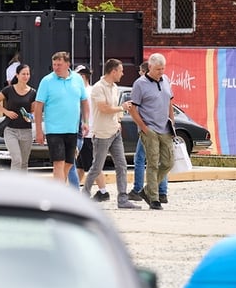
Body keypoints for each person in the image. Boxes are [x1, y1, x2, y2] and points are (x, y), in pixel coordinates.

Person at [84, 59, 140, 209]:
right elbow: (104, 108)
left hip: (115, 132)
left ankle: (122, 199)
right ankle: (84, 195)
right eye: (121, 70)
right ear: (113, 71)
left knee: (122, 165)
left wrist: (119, 120)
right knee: (97, 167)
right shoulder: (98, 88)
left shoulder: (115, 87)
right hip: (102, 134)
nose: (122, 73)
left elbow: (114, 108)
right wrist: (121, 108)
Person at [127, 53, 175, 210]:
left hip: (165, 127)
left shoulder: (166, 80)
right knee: (153, 163)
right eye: (157, 69)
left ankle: (147, 190)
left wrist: (172, 121)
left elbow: (169, 102)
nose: (161, 72)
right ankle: (154, 199)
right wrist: (143, 127)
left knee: (169, 162)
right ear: (149, 67)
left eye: (163, 69)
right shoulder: (139, 84)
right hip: (150, 128)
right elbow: (132, 109)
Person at [33, 52, 90, 183]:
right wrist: (39, 130)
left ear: (67, 64)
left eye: (59, 64)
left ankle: (58, 189)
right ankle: (59, 194)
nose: (56, 67)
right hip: (54, 130)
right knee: (58, 162)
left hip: (72, 129)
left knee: (69, 163)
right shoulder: (46, 81)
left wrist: (86, 121)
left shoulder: (77, 79)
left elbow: (84, 102)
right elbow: (38, 107)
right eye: (54, 64)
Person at [67, 65, 108, 197]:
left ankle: (103, 191)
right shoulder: (81, 91)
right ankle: (74, 192)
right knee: (79, 166)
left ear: (83, 76)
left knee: (92, 165)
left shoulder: (89, 92)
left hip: (88, 134)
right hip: (81, 133)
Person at [0, 63, 36, 172]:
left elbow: (33, 110)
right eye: (23, 74)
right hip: (10, 129)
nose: (26, 76)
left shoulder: (32, 92)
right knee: (17, 160)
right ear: (17, 75)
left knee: (24, 162)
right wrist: (6, 112)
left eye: (28, 74)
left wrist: (30, 117)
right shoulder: (9, 90)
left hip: (26, 130)